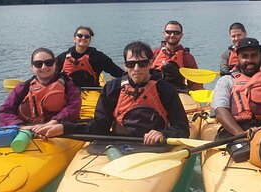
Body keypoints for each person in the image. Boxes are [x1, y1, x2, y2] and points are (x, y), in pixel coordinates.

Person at [36, 41, 190, 144]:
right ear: (125, 65)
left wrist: (164, 133)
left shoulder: (166, 90)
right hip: (120, 142)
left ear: (150, 63)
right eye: (131, 64)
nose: (136, 69)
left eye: (142, 63)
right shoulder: (112, 88)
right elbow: (99, 126)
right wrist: (65, 127)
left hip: (155, 146)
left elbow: (182, 129)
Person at [0, 48, 81, 128]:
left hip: (58, 127)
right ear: (32, 67)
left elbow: (74, 106)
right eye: (38, 64)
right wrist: (19, 126)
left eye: (49, 62)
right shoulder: (23, 88)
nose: (44, 67)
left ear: (55, 64)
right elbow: (5, 111)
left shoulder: (67, 85)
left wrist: (54, 122)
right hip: (27, 129)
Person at [55, 26, 125, 88]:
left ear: (89, 40)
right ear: (74, 39)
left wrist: (128, 79)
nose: (83, 38)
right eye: (80, 35)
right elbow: (51, 73)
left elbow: (116, 71)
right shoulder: (63, 57)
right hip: (69, 92)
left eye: (87, 36)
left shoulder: (98, 57)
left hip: (92, 91)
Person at [151, 21, 202, 91]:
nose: (172, 35)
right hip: (156, 91)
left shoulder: (187, 57)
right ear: (164, 34)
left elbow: (195, 82)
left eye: (176, 33)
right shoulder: (154, 54)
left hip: (178, 92)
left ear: (181, 35)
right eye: (169, 32)